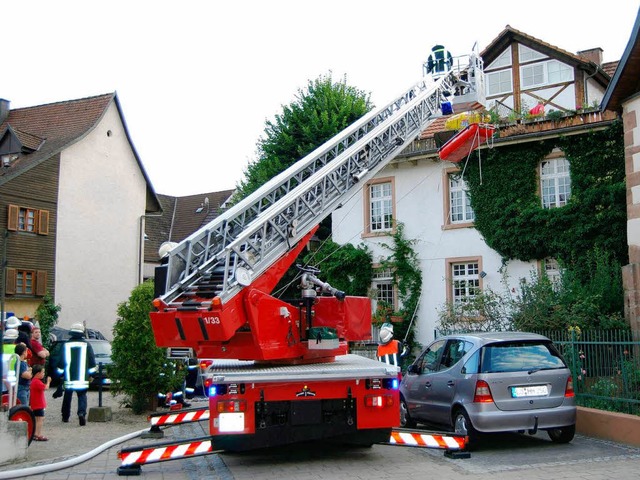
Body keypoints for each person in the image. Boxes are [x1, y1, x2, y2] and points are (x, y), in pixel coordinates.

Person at [55, 323, 97, 426]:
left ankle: (65, 416)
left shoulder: (66, 345)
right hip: (82, 377)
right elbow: (92, 362)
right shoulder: (86, 345)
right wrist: (92, 374)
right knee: (82, 396)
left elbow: (60, 361)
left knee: (67, 396)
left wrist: (59, 374)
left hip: (69, 377)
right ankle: (81, 413)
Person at [30, 364, 51, 441]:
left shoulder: (33, 381)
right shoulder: (37, 382)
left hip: (35, 404)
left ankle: (35, 433)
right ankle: (38, 434)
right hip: (39, 404)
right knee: (40, 419)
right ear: (38, 373)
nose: (43, 374)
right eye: (42, 372)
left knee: (37, 419)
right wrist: (48, 381)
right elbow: (46, 387)